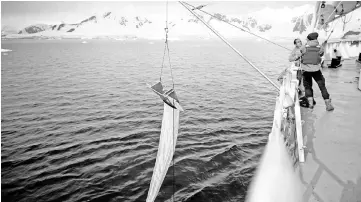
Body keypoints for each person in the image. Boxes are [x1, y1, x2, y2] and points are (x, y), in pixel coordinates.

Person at [299, 32, 334, 111]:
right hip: (316, 70)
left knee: (308, 87)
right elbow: (321, 55)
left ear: (309, 39)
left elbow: (298, 55)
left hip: (306, 70)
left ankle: (311, 105)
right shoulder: (320, 47)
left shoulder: (304, 47)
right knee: (322, 87)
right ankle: (328, 104)